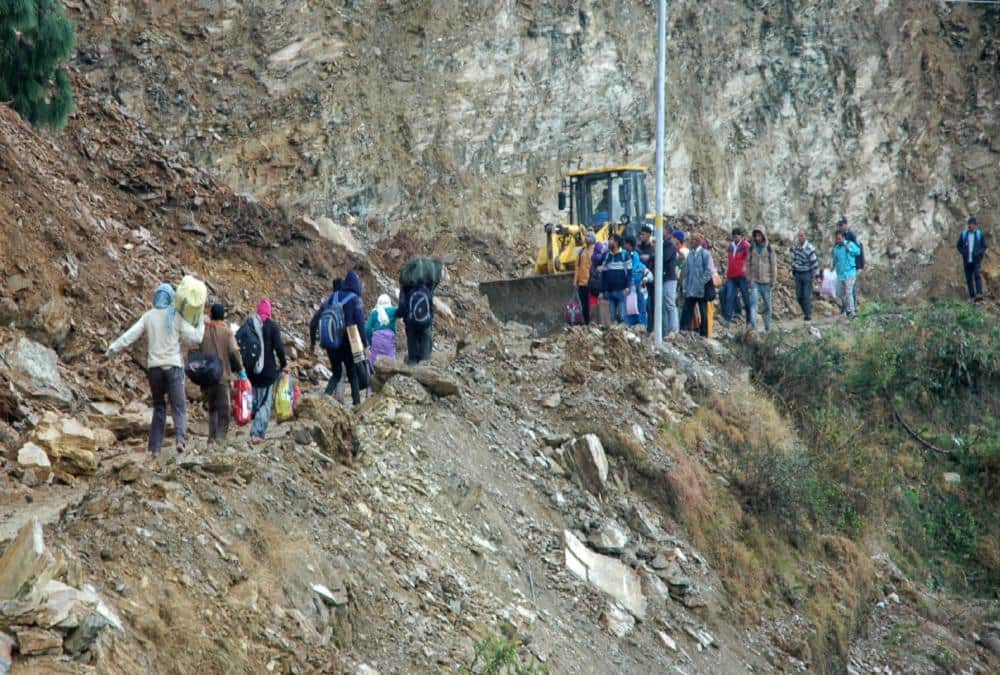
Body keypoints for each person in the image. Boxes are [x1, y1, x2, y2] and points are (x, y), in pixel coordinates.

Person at [104, 283, 204, 457]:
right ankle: (180, 440)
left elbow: (130, 335)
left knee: (159, 407)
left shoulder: (148, 316)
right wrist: (200, 319)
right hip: (173, 368)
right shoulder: (176, 316)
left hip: (154, 370)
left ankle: (155, 448)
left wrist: (111, 349)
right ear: (171, 298)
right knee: (179, 406)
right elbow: (196, 337)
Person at [310, 271, 368, 405]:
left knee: (336, 373)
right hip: (348, 341)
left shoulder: (332, 297)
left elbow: (313, 322)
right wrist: (365, 345)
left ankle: (323, 402)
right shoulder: (355, 299)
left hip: (331, 341)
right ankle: (357, 405)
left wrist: (312, 343)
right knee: (352, 374)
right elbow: (360, 324)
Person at [200, 303, 243, 443]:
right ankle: (219, 439)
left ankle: (211, 438)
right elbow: (234, 352)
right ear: (223, 316)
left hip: (207, 377)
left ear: (211, 315)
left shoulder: (204, 331)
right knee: (224, 409)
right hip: (222, 376)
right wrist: (240, 368)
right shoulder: (227, 332)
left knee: (212, 408)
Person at [247, 298, 287, 441]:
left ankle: (252, 422)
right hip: (267, 370)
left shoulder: (250, 324)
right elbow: (279, 348)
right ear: (269, 312)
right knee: (265, 403)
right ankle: (257, 434)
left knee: (256, 399)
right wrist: (284, 364)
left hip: (252, 370)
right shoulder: (272, 326)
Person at [680, 233, 713, 337]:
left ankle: (704, 334)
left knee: (703, 312)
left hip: (701, 289)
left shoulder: (705, 254)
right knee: (687, 310)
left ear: (698, 242)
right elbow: (686, 273)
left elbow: (709, 271)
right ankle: (684, 331)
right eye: (691, 240)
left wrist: (701, 282)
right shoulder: (690, 255)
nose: (691, 242)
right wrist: (685, 288)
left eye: (693, 240)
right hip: (690, 288)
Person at [747, 227, 777, 331]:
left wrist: (773, 280)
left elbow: (773, 265)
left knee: (768, 306)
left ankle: (768, 328)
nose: (757, 238)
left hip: (766, 282)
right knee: (753, 304)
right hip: (755, 281)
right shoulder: (752, 248)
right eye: (756, 236)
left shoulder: (769, 248)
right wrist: (749, 278)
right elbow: (748, 263)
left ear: (763, 236)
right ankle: (754, 327)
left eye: (759, 235)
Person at [399, 278, 434, 366]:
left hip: (411, 324)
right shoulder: (427, 290)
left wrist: (406, 320)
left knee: (412, 350)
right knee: (425, 354)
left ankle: (412, 363)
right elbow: (431, 307)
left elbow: (403, 306)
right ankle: (425, 362)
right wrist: (430, 319)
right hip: (425, 323)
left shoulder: (407, 289)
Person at [599, 234, 631, 323]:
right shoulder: (606, 255)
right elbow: (603, 274)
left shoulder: (625, 255)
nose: (609, 242)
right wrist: (602, 291)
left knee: (622, 317)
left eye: (611, 240)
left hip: (621, 291)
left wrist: (627, 287)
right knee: (612, 318)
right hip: (609, 292)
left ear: (616, 243)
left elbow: (629, 273)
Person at [722, 227, 751, 325]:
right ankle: (727, 319)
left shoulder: (746, 245)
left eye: (736, 236)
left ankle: (749, 320)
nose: (735, 238)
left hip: (742, 276)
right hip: (732, 276)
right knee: (729, 296)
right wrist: (727, 273)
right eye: (733, 236)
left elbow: (750, 260)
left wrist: (747, 271)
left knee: (746, 297)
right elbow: (730, 260)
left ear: (741, 236)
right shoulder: (731, 246)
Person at [791, 229, 820, 320]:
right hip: (798, 273)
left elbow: (814, 262)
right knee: (799, 296)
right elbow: (795, 258)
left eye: (802, 235)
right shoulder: (797, 247)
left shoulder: (810, 248)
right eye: (799, 236)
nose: (800, 238)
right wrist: (793, 267)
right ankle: (806, 311)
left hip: (807, 273)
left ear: (805, 236)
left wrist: (817, 276)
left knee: (806, 295)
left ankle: (808, 315)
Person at [832, 230, 862, 318]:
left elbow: (858, 252)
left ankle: (852, 312)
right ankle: (847, 309)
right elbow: (835, 260)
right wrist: (833, 266)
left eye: (839, 238)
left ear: (843, 238)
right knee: (839, 293)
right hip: (840, 274)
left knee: (849, 292)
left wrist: (849, 249)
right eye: (837, 239)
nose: (838, 240)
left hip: (850, 273)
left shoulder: (849, 244)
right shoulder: (836, 249)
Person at [957, 215, 986, 302]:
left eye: (972, 225)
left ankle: (979, 294)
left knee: (977, 275)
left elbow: (984, 247)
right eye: (969, 225)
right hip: (967, 260)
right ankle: (972, 296)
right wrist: (963, 253)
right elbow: (958, 246)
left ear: (975, 225)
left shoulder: (979, 234)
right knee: (969, 278)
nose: (970, 227)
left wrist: (979, 254)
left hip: (976, 260)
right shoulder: (963, 234)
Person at [365, 293, 399, 368]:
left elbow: (367, 329)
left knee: (374, 361)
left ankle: (373, 372)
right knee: (390, 362)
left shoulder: (374, 312)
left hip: (376, 339)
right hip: (389, 340)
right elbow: (402, 311)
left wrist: (370, 342)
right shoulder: (393, 311)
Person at [837, 216, 862, 311]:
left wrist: (859, 264)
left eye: (842, 225)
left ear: (846, 224)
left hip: (852, 265)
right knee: (844, 289)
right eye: (839, 225)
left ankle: (853, 308)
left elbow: (859, 250)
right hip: (844, 267)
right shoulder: (840, 236)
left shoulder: (852, 235)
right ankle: (847, 308)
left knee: (851, 288)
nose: (840, 227)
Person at [622, 236, 647, 327]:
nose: (624, 245)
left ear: (629, 244)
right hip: (636, 283)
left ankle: (634, 325)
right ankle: (640, 325)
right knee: (637, 306)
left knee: (632, 306)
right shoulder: (636, 254)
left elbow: (632, 269)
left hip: (634, 284)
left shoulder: (630, 255)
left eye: (625, 243)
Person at [573, 231, 596, 325]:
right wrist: (575, 281)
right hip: (582, 283)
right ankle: (585, 322)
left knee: (593, 304)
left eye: (588, 236)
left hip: (592, 283)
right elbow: (577, 267)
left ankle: (593, 322)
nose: (586, 238)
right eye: (586, 236)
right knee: (583, 304)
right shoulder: (581, 251)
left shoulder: (596, 251)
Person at [637, 225, 656, 333]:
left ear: (649, 235)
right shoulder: (638, 248)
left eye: (643, 234)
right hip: (639, 281)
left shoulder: (653, 249)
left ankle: (650, 329)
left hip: (650, 282)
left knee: (650, 306)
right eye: (640, 234)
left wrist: (649, 257)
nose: (641, 236)